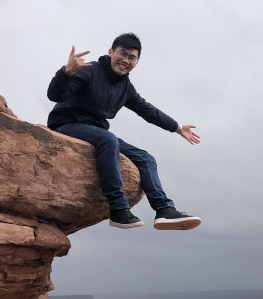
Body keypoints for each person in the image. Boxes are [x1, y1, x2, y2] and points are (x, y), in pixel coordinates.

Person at [46, 32, 201, 231]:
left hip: (96, 131)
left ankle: (164, 210)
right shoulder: (90, 70)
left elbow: (147, 110)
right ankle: (118, 209)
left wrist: (177, 127)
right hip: (66, 124)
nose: (126, 60)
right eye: (123, 54)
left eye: (132, 57)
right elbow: (55, 95)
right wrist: (65, 72)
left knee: (146, 158)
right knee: (108, 139)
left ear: (136, 62)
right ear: (111, 51)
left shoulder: (125, 87)